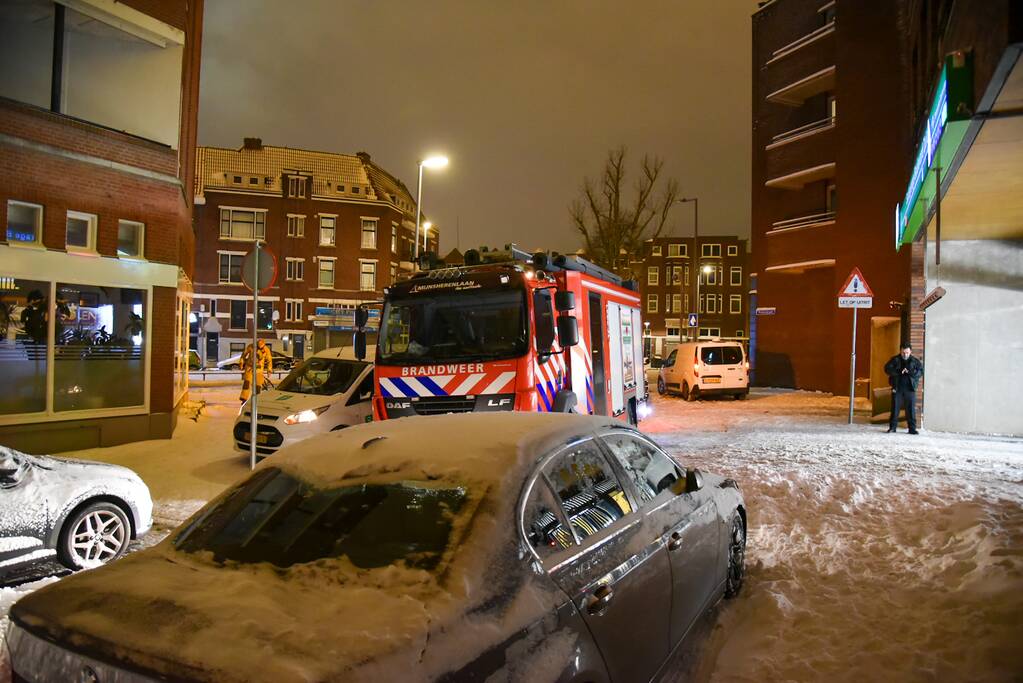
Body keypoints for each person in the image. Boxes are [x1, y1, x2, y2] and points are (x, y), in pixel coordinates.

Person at [884, 343, 923, 434]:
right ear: (900, 351)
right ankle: (892, 428)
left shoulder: (915, 361)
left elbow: (920, 372)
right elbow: (887, 369)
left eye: (907, 353)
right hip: (897, 387)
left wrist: (910, 372)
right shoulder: (895, 360)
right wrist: (898, 371)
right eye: (903, 353)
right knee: (895, 408)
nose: (905, 355)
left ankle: (912, 429)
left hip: (910, 388)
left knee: (911, 409)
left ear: (910, 351)